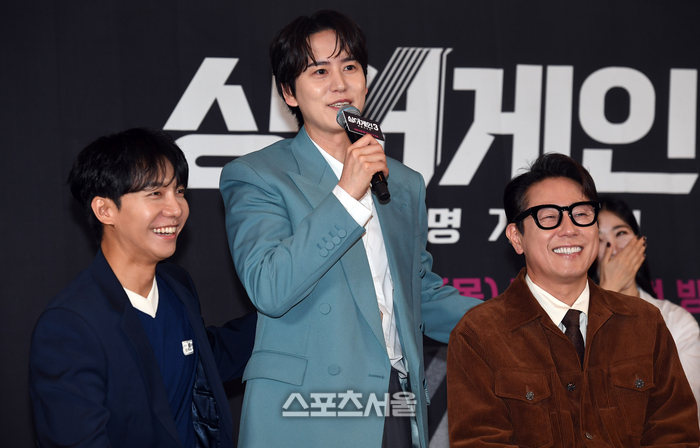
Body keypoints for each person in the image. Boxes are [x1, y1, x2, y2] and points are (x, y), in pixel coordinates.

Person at [219, 10, 480, 448]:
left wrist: (508, 320)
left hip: (393, 397)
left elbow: (418, 293)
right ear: (289, 92)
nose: (339, 83)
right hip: (306, 408)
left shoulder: (404, 181)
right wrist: (347, 193)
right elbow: (269, 286)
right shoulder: (258, 175)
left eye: (350, 67)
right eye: (319, 71)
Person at [447, 153, 700, 447]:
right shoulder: (478, 334)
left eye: (580, 214)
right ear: (517, 237)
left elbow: (675, 435)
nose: (569, 230)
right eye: (549, 217)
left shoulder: (645, 322)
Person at [29, 128, 256, 448]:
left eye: (179, 191)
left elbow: (203, 359)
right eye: (155, 193)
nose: (176, 208)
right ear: (105, 210)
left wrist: (296, 309)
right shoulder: (69, 326)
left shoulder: (176, 286)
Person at [593, 196, 700, 423]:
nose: (613, 248)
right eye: (599, 239)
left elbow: (684, 411)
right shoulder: (571, 319)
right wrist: (608, 293)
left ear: (640, 242)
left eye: (621, 233)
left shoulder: (676, 321)